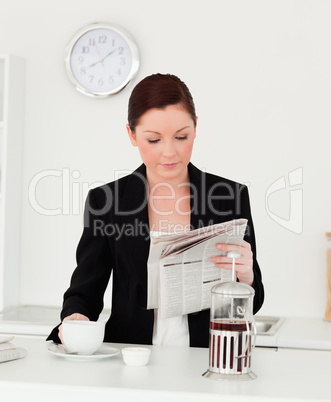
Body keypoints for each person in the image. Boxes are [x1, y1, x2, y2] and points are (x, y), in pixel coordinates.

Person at [47, 73, 264, 348]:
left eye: (181, 136)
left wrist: (247, 276)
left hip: (208, 359)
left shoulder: (229, 197)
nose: (170, 152)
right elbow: (85, 290)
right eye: (154, 140)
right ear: (132, 134)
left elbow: (252, 303)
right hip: (131, 358)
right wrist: (75, 319)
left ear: (195, 127)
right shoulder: (106, 201)